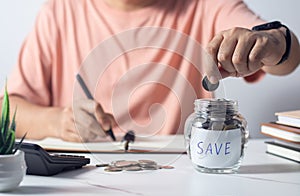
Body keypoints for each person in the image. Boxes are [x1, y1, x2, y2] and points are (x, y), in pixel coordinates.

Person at [1, 0, 299, 142]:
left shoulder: (207, 4)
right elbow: (8, 110)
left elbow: (287, 56)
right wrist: (57, 122)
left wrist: (270, 42)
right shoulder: (60, 11)